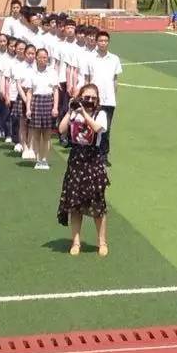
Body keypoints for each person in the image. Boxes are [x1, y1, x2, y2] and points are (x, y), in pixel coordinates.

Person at [58, 83, 110, 256]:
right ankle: (76, 242)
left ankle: (102, 242)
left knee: (97, 203)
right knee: (75, 204)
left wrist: (84, 113)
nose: (89, 101)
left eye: (93, 98)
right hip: (76, 159)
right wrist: (70, 110)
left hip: (93, 158)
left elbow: (98, 128)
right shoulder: (75, 111)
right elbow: (61, 129)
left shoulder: (100, 114)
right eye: (86, 97)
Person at [22, 45, 61, 171]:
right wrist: (28, 108)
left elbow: (55, 91)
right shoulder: (31, 73)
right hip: (36, 102)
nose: (43, 59)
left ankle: (45, 159)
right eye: (40, 57)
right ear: (36, 58)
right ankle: (38, 158)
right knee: (36, 134)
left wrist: (55, 107)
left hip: (48, 101)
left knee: (47, 134)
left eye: (45, 57)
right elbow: (29, 92)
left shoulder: (52, 72)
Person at [89, 30, 122, 159]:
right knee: (92, 126)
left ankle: (103, 155)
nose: (103, 43)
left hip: (109, 100)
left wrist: (114, 95)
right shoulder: (90, 58)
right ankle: (92, 152)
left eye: (105, 41)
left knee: (106, 128)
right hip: (93, 99)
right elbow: (87, 79)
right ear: (96, 42)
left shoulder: (114, 59)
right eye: (101, 41)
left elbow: (115, 79)